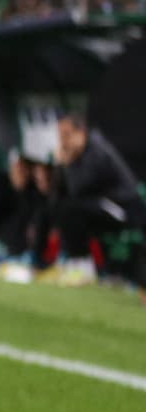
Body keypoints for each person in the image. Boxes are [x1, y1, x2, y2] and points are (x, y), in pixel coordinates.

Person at [49, 113, 145, 286]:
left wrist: (66, 163)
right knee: (62, 208)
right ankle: (75, 264)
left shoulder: (97, 150)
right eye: (60, 136)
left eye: (67, 135)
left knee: (72, 209)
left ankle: (84, 268)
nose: (63, 141)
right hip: (101, 207)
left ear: (81, 132)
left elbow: (78, 188)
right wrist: (60, 165)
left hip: (124, 209)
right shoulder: (79, 154)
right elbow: (60, 194)